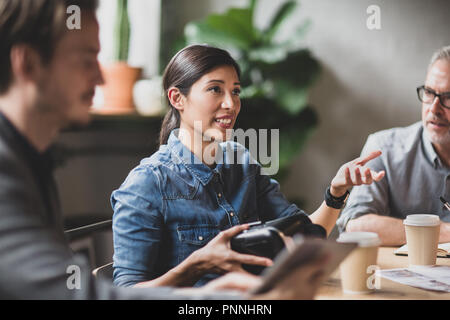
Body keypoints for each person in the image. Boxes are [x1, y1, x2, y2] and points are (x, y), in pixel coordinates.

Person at [0, 0, 333, 300]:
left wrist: (336, 196)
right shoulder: (9, 171)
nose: (102, 78)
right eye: (87, 59)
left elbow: (301, 229)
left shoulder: (33, 163)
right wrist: (207, 288)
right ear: (27, 63)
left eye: (235, 91)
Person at [111, 44, 385, 288]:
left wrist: (336, 193)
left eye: (236, 91)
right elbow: (126, 293)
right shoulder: (146, 184)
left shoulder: (241, 163)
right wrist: (196, 265)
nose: (231, 104)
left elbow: (306, 234)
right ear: (177, 98)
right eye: (215, 89)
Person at [337, 46, 450, 246]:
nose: (434, 108)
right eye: (429, 92)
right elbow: (354, 224)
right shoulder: (385, 148)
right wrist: (440, 232)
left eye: (449, 97)